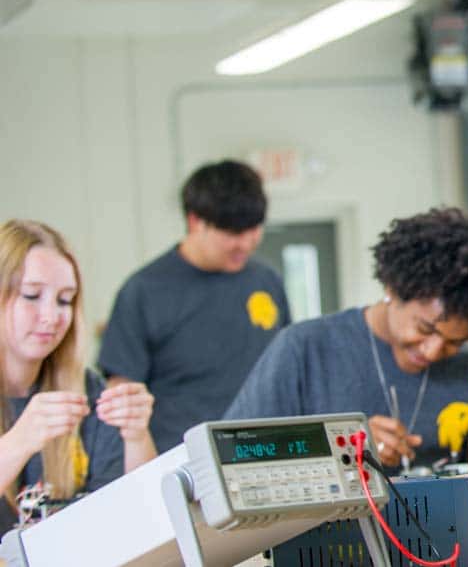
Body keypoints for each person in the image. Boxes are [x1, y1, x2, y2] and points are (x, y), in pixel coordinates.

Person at [224, 208, 468, 473]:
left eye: (455, 341)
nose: (433, 351)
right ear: (392, 288)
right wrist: (337, 448)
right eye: (425, 329)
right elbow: (234, 453)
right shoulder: (304, 349)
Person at [99, 160, 291, 453]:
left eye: (253, 229)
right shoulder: (143, 291)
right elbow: (122, 394)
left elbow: (287, 366)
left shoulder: (267, 281)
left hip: (264, 455)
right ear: (195, 222)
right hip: (180, 463)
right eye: (231, 233)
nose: (245, 243)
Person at [0, 220, 156, 526]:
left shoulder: (86, 389)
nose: (52, 317)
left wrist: (136, 436)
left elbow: (144, 515)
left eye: (65, 300)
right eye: (32, 295)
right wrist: (20, 442)